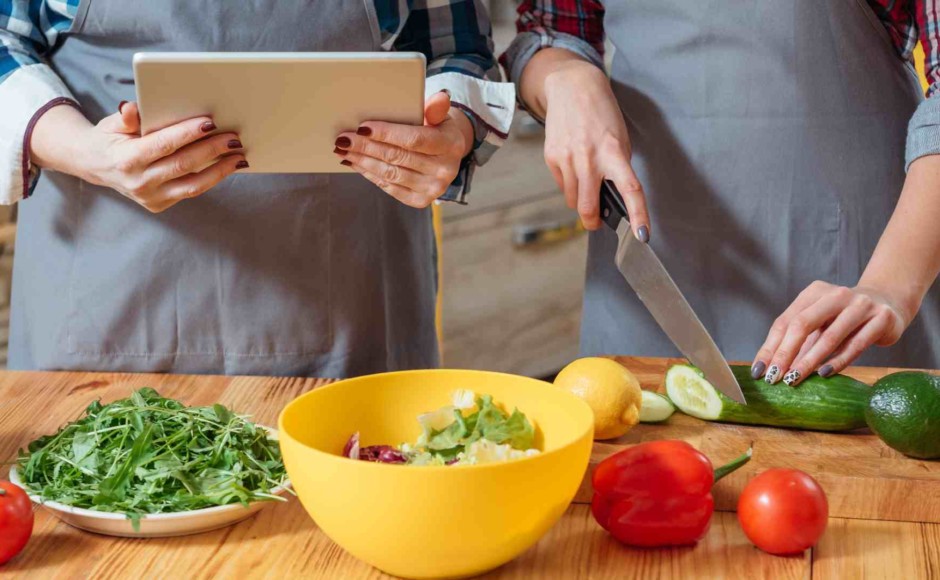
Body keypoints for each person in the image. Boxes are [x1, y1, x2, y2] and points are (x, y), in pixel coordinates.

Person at [0, 0, 514, 377]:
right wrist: (87, 152)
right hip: (104, 304)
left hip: (353, 311)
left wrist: (453, 129)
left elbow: (456, 49)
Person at [503, 1, 940, 384]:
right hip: (649, 256)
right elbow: (550, 27)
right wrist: (564, 75)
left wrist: (889, 286)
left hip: (861, 262)